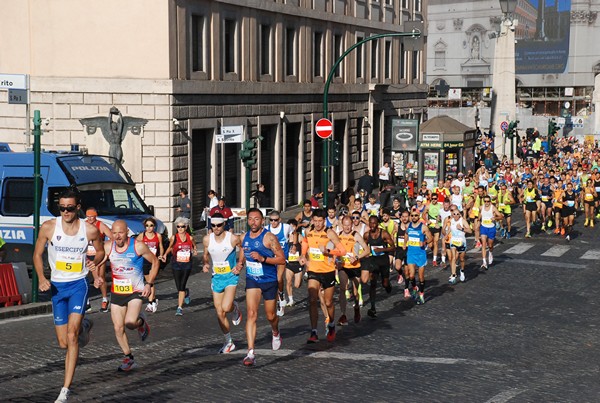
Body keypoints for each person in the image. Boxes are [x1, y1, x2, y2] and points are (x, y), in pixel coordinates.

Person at [33, 189, 105, 403]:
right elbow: (37, 254)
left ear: (78, 207)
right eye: (62, 208)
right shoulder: (49, 227)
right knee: (64, 343)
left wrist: (95, 261)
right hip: (57, 287)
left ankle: (65, 389)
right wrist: (41, 277)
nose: (65, 212)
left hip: (78, 285)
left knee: (72, 336)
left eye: (69, 208)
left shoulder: (89, 230)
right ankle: (85, 326)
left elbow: (100, 251)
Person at [102, 220, 159, 372]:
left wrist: (149, 283)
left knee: (129, 322)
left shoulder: (138, 246)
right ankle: (129, 358)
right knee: (118, 328)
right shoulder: (108, 247)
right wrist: (97, 276)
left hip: (135, 291)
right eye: (114, 233)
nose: (117, 236)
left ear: (127, 232)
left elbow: (155, 262)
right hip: (117, 292)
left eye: (120, 233)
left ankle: (140, 323)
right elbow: (99, 261)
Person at [241, 208, 286, 366]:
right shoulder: (245, 237)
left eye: (257, 219)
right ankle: (251, 352)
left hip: (269, 280)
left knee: (270, 316)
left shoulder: (269, 238)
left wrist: (263, 258)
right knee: (251, 314)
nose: (253, 222)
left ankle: (275, 331)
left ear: (262, 221)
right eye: (250, 219)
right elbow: (242, 252)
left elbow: (282, 260)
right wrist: (240, 264)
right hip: (252, 279)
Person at [299, 209, 346, 343]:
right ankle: (313, 331)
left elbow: (342, 251)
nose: (318, 224)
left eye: (321, 221)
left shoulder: (329, 233)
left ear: (324, 221)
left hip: (328, 271)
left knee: (328, 302)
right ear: (312, 220)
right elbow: (305, 242)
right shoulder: (309, 231)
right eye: (316, 221)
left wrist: (328, 251)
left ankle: (331, 324)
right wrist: (303, 255)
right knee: (313, 300)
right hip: (313, 270)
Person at [202, 213, 244, 354]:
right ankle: (228, 341)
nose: (216, 228)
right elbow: (205, 255)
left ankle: (234, 307)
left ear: (224, 224)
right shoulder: (207, 239)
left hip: (230, 276)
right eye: (213, 225)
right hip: (217, 277)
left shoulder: (232, 238)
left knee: (226, 307)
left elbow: (242, 247)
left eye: (219, 225)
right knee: (219, 312)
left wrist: (239, 263)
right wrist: (206, 264)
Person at [337, 215, 370, 325]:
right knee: (342, 288)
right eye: (345, 225)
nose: (347, 227)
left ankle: (356, 308)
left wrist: (357, 257)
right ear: (342, 225)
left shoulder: (356, 235)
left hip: (355, 267)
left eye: (349, 225)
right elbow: (335, 250)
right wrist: (336, 260)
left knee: (355, 292)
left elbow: (367, 250)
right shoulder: (339, 236)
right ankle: (343, 315)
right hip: (344, 266)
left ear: (352, 225)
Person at [161, 217, 198, 315]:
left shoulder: (190, 238)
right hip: (176, 264)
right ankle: (186, 292)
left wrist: (195, 250)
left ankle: (179, 308)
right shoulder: (174, 237)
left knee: (181, 286)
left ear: (186, 227)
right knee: (179, 286)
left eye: (182, 226)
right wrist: (164, 255)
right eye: (178, 226)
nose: (180, 228)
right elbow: (170, 247)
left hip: (187, 264)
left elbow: (194, 246)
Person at [363, 215, 394, 318]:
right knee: (373, 283)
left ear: (377, 224)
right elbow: (364, 247)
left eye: (374, 223)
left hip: (383, 261)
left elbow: (393, 247)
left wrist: (382, 250)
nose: (372, 225)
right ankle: (372, 308)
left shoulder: (383, 233)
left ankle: (388, 285)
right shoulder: (367, 235)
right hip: (374, 261)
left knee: (385, 284)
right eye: (370, 223)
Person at [85, 207, 113, 312]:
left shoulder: (100, 225)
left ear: (95, 216)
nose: (90, 219)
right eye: (88, 217)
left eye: (92, 217)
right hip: (87, 255)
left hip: (99, 255)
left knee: (100, 277)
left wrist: (105, 245)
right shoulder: (84, 225)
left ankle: (105, 299)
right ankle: (86, 301)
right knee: (85, 278)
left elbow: (112, 237)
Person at [266, 210, 293, 316]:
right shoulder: (266, 229)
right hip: (271, 259)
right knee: (273, 281)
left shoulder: (286, 227)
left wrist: (293, 245)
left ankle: (281, 294)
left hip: (282, 258)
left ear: (279, 220)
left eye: (275, 220)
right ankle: (279, 300)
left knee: (279, 278)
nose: (273, 222)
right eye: (271, 220)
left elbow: (293, 233)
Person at [404, 208, 433, 305]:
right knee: (411, 275)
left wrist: (424, 242)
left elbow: (431, 238)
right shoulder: (408, 225)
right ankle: (414, 288)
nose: (413, 217)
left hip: (420, 254)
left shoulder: (423, 227)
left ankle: (421, 294)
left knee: (421, 277)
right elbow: (406, 234)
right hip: (411, 253)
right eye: (412, 215)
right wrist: (405, 243)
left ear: (419, 216)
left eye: (416, 215)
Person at [137, 217, 164, 313]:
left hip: (154, 261)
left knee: (150, 282)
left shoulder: (158, 235)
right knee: (149, 281)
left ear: (154, 226)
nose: (149, 228)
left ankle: (151, 302)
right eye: (147, 226)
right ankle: (153, 300)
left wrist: (161, 255)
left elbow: (160, 246)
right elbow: (136, 246)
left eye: (151, 225)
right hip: (144, 261)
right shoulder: (142, 235)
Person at [444, 205, 472, 285]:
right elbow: (450, 228)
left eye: (457, 214)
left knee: (462, 259)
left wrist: (462, 228)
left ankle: (462, 270)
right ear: (452, 215)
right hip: (453, 241)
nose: (456, 215)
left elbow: (470, 231)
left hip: (461, 242)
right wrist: (446, 234)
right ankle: (453, 276)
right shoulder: (451, 220)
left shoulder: (462, 221)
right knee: (453, 258)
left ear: (460, 214)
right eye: (454, 214)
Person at [479, 196, 503, 270]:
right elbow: (479, 216)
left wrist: (495, 218)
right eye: (485, 201)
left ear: (490, 201)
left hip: (491, 228)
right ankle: (484, 262)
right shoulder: (481, 207)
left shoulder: (493, 208)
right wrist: (478, 220)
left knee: (490, 245)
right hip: (483, 227)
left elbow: (501, 216)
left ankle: (490, 252)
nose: (486, 203)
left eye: (488, 201)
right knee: (483, 244)